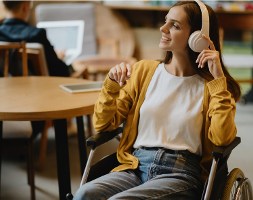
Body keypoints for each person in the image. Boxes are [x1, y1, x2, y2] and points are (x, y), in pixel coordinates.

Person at [74, 0, 241, 199]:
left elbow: (222, 138)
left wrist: (219, 80)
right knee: (85, 193)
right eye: (165, 21)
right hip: (135, 166)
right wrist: (111, 84)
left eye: (175, 25)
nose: (163, 28)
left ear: (198, 38)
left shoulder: (213, 87)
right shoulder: (143, 71)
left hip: (180, 174)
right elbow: (103, 125)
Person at [0, 0, 71, 77]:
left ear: (4, 7)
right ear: (25, 6)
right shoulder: (36, 35)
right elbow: (60, 72)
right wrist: (58, 58)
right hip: (36, 92)